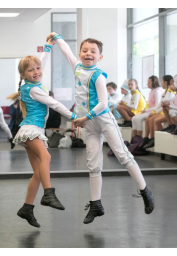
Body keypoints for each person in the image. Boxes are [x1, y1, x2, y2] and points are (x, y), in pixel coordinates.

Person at [48, 32, 154, 224]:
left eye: (93, 52)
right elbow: (66, 52)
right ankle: (96, 204)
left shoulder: (98, 77)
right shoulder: (77, 67)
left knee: (123, 155)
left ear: (100, 57)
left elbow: (104, 104)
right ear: (80, 53)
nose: (88, 54)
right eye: (85, 50)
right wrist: (57, 37)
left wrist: (85, 117)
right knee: (93, 164)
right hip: (89, 125)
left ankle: (144, 190)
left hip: (103, 120)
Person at [7, 39, 78, 228]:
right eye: (31, 70)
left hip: (33, 130)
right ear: (23, 74)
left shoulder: (30, 84)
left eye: (38, 68)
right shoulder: (34, 89)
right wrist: (74, 116)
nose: (36, 71)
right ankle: (48, 194)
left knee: (38, 173)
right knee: (46, 156)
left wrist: (48, 47)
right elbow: (54, 104)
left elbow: (40, 64)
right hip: (31, 130)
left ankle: (26, 208)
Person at [139, 75, 175, 149]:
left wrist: (155, 112)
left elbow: (164, 106)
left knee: (154, 120)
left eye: (162, 81)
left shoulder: (170, 92)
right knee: (148, 118)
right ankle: (147, 138)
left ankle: (154, 138)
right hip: (163, 112)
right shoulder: (165, 92)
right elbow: (160, 104)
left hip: (167, 113)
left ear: (165, 82)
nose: (161, 83)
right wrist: (154, 111)